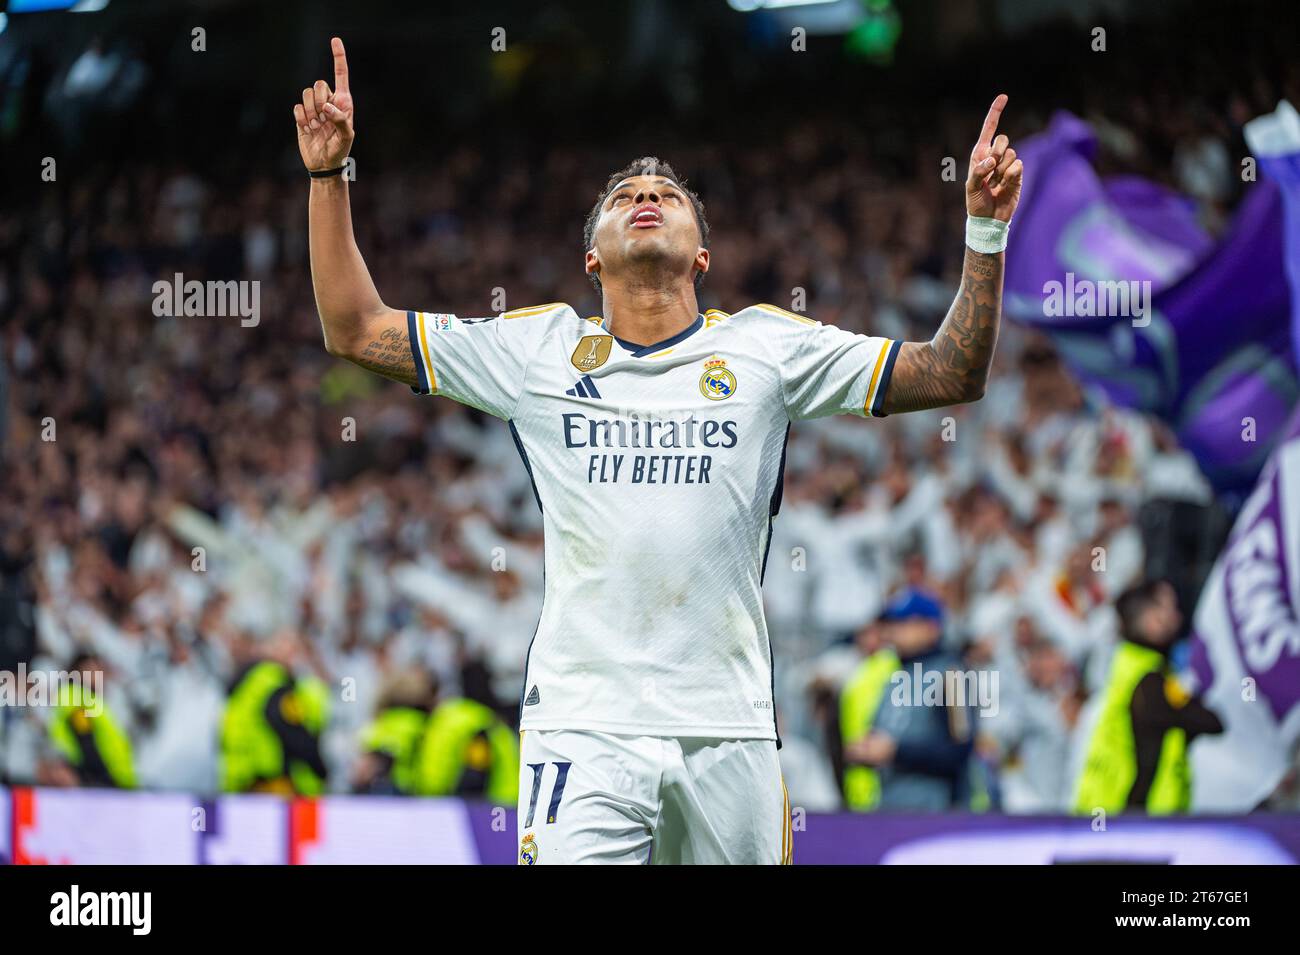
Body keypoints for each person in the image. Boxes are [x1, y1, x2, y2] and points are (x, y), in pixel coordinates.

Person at [294, 37, 1022, 863]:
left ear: (702, 257)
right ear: (591, 256)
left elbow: (951, 372)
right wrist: (328, 178)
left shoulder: (765, 350)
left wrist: (985, 232)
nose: (646, 195)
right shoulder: (538, 351)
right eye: (625, 194)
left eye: (667, 193)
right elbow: (354, 328)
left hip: (730, 726)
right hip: (583, 722)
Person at [1073, 580, 1223, 815]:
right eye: (1169, 608)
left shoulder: (1128, 668)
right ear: (1151, 619)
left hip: (1110, 814)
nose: (1177, 617)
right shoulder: (1150, 681)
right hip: (1129, 818)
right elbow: (1211, 722)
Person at [846, 590, 975, 810]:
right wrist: (867, 750)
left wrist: (896, 752)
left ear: (931, 628)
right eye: (893, 624)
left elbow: (959, 750)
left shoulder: (951, 674)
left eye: (905, 623)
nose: (893, 631)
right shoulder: (894, 674)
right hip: (889, 807)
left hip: (936, 812)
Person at [219, 657, 330, 796]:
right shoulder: (275, 683)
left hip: (239, 779)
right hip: (270, 782)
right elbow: (291, 732)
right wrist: (321, 769)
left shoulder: (246, 686)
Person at [46, 653, 136, 789]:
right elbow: (85, 739)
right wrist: (101, 777)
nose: (97, 674)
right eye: (91, 670)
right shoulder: (76, 698)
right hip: (98, 779)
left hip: (115, 778)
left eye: (98, 669)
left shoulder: (91, 699)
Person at [837, 620, 900, 811]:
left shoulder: (891, 664)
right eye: (862, 633)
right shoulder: (861, 666)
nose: (864, 639)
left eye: (870, 633)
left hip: (879, 765)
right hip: (857, 763)